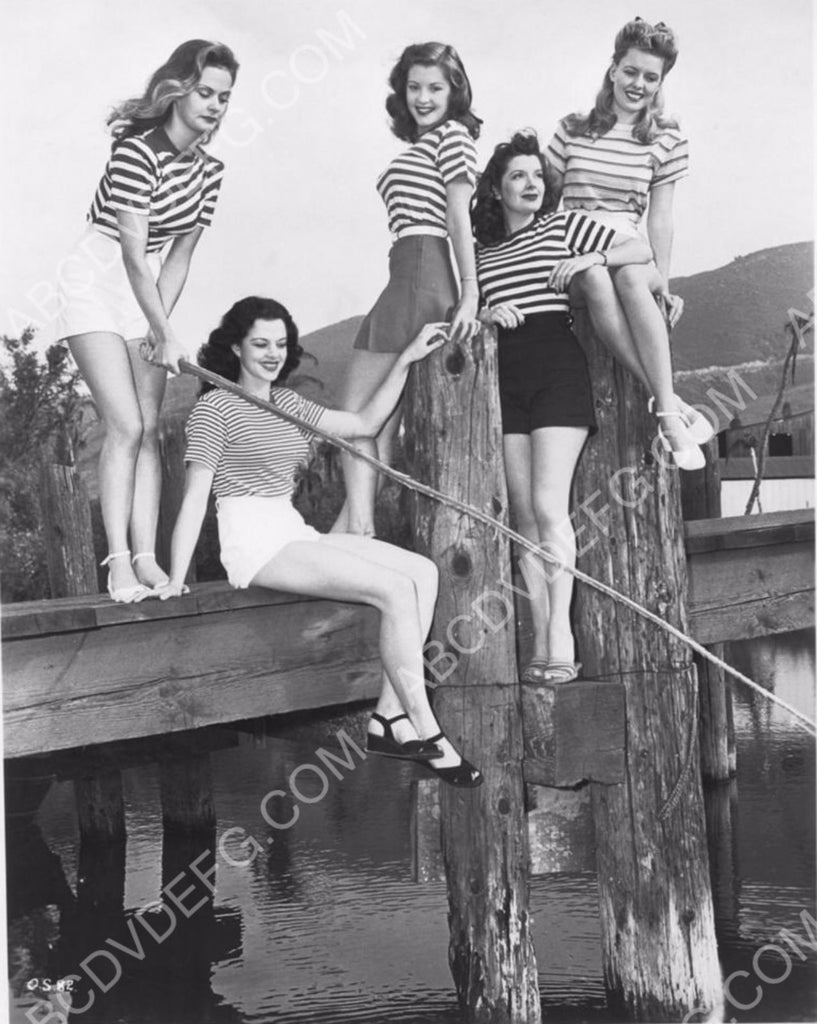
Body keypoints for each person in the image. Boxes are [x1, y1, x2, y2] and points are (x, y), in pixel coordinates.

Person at [158, 296, 483, 788]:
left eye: (280, 344)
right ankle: (428, 731)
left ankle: (388, 718)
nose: (272, 354)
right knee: (395, 589)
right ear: (236, 348)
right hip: (252, 542)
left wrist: (406, 358)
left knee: (423, 572)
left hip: (290, 530)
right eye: (260, 344)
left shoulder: (288, 404)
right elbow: (194, 499)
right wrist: (175, 578)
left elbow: (365, 424)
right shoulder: (214, 408)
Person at [55, 40, 239, 602]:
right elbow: (131, 254)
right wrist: (162, 332)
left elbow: (177, 258)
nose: (214, 105)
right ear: (177, 90)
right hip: (96, 275)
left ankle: (146, 558)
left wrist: (162, 329)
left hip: (148, 284)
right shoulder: (136, 152)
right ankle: (118, 563)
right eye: (204, 92)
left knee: (152, 427)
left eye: (224, 97)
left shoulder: (211, 170)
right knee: (126, 425)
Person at [472, 131, 654, 684]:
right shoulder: (481, 254)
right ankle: (539, 632)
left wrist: (592, 257)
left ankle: (561, 638)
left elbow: (639, 250)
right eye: (517, 176)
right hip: (507, 378)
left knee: (550, 508)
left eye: (536, 175)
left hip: (556, 369)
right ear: (497, 190)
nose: (531, 184)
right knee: (524, 518)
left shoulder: (562, 226)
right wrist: (485, 314)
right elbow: (467, 310)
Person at [546, 17, 714, 469]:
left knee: (632, 278)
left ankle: (667, 417)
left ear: (660, 83)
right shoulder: (571, 129)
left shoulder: (667, 138)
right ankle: (671, 404)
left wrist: (665, 282)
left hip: (629, 248)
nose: (638, 84)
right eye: (631, 71)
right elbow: (544, 206)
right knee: (596, 276)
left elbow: (660, 217)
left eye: (650, 77)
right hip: (575, 250)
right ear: (614, 69)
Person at [332, 41, 482, 537]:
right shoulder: (427, 143)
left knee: (354, 417)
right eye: (414, 87)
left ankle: (358, 532)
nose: (423, 97)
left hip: (422, 273)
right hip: (408, 272)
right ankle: (348, 534)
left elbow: (458, 217)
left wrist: (471, 292)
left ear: (454, 91)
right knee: (378, 425)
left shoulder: (453, 137)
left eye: (435, 87)